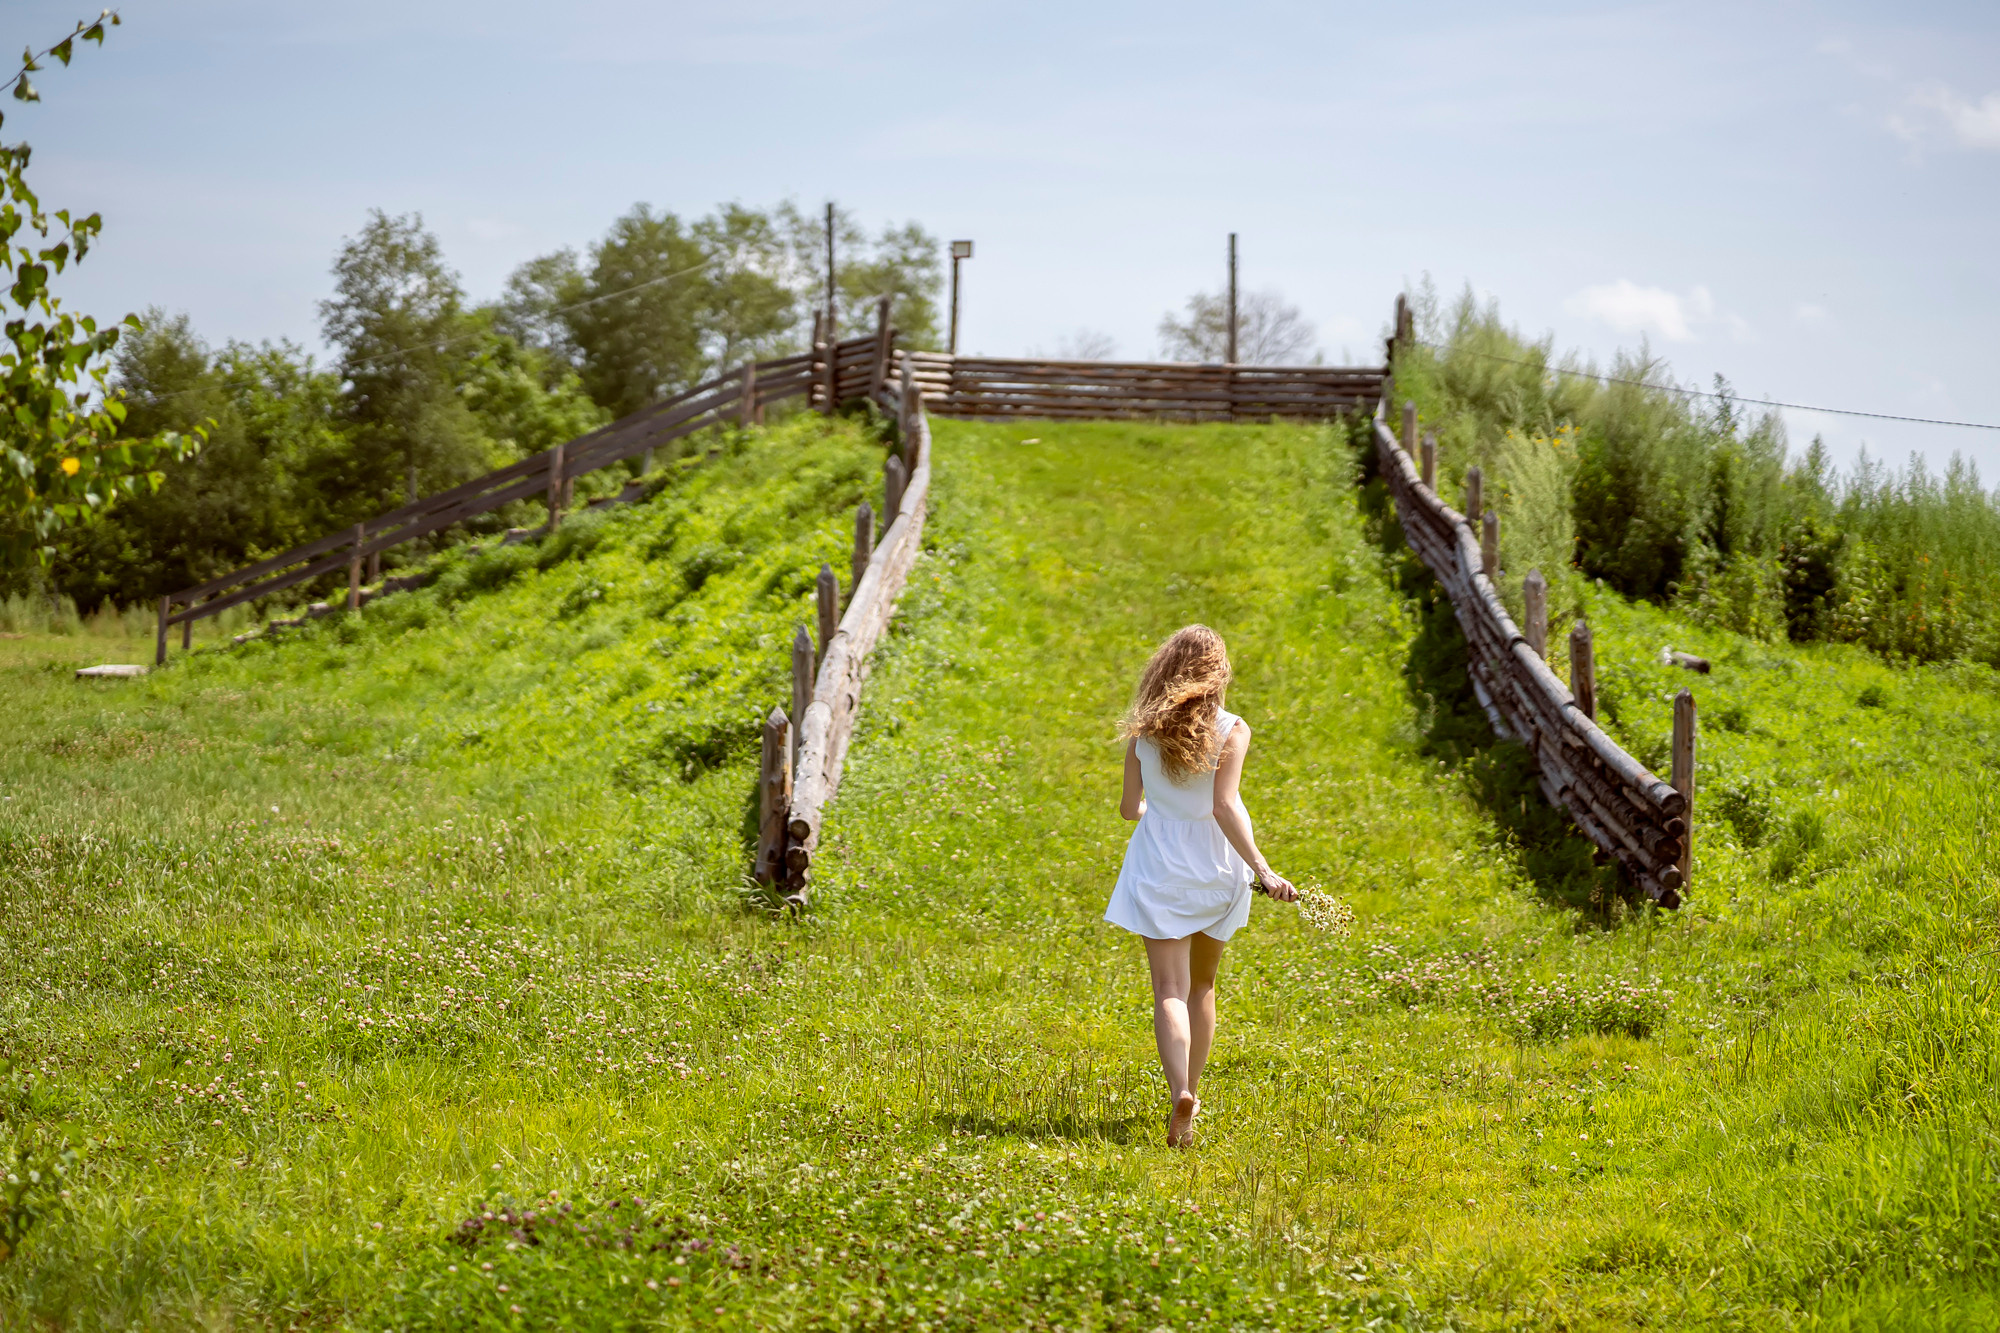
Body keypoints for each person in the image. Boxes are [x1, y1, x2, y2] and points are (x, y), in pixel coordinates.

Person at [1103, 625, 1295, 1149]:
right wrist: (1263, 869)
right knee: (1202, 986)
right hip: (1217, 865)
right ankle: (1195, 1090)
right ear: (1218, 673)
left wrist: (1151, 810)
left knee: (1168, 989)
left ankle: (1180, 1091)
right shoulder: (1232, 729)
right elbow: (1223, 805)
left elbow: (1128, 809)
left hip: (1159, 864)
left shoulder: (1144, 734)